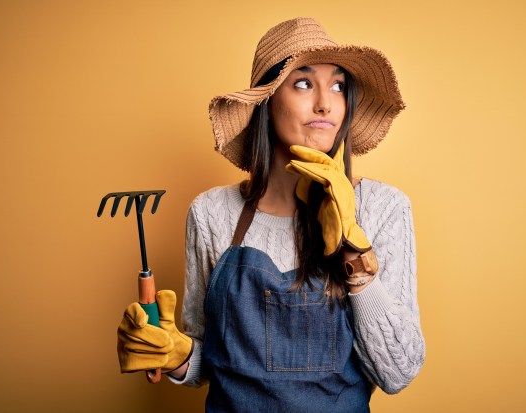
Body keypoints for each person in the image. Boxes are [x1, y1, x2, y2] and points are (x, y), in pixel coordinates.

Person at [117, 17, 425, 412]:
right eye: (302, 83)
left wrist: (352, 247)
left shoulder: (384, 208)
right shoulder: (212, 213)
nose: (325, 103)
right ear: (266, 101)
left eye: (338, 86)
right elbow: (208, 360)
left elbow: (397, 372)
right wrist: (174, 355)